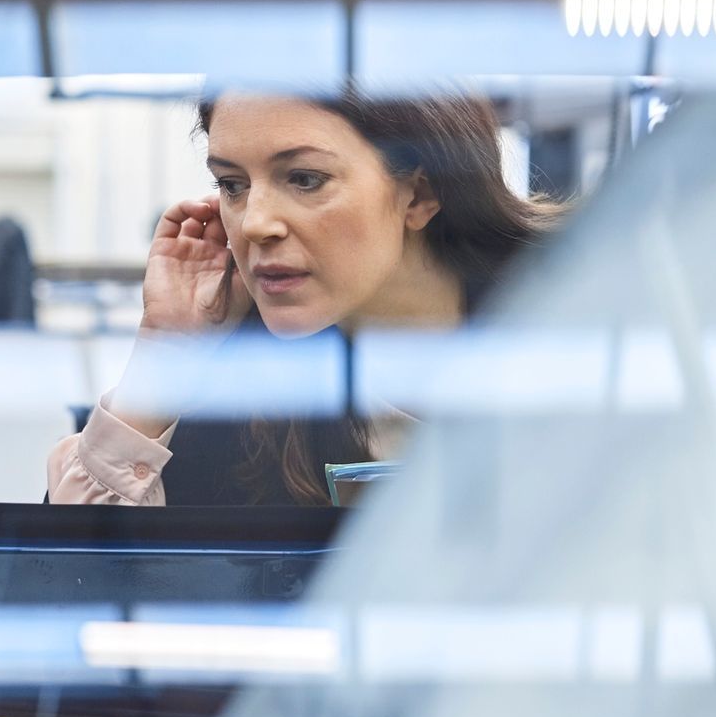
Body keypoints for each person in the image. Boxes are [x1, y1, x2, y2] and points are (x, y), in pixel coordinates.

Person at [48, 88, 556, 506]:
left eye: (305, 179)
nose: (254, 223)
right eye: (231, 184)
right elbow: (61, 586)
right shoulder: (242, 386)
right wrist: (165, 353)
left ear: (419, 195)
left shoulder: (577, 328)